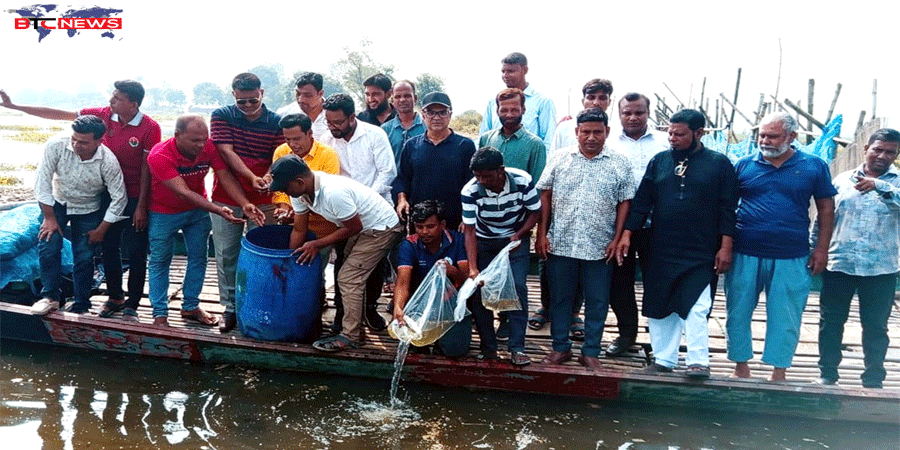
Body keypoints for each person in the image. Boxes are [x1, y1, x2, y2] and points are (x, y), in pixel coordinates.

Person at [1, 81, 161, 322]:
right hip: (89, 196)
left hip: (128, 195)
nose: (111, 101)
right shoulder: (98, 118)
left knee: (128, 250)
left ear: (133, 104)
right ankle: (105, 297)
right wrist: (14, 107)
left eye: (117, 98)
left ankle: (125, 304)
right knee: (95, 246)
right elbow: (57, 116)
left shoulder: (147, 129)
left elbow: (148, 167)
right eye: (112, 96)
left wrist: (140, 206)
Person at [617, 109, 738, 378]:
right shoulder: (659, 161)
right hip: (661, 247)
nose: (672, 138)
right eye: (670, 133)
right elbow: (642, 203)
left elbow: (728, 208)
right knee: (660, 303)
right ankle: (664, 359)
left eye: (680, 134)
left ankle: (698, 361)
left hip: (701, 248)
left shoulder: (719, 164)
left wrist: (726, 246)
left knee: (697, 305)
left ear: (699, 133)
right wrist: (627, 234)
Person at [726, 111, 837, 382]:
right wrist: (725, 247)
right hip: (745, 251)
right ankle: (740, 365)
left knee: (786, 315)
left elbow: (826, 208)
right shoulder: (743, 165)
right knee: (737, 310)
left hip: (792, 254)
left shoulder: (813, 166)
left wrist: (821, 249)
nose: (765, 141)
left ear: (792, 136)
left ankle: (779, 371)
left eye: (773, 136)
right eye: (762, 135)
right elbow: (726, 208)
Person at [268, 155, 403, 352]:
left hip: (381, 228)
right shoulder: (300, 192)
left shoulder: (333, 192)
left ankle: (351, 336)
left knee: (348, 278)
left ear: (299, 181)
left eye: (285, 188)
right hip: (361, 226)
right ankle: (354, 323)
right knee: (349, 271)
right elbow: (299, 229)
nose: (283, 192)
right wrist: (289, 261)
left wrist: (317, 244)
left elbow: (354, 227)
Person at [536, 108, 635, 371]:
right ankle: (560, 347)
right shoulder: (559, 158)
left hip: (600, 246)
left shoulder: (619, 162)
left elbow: (625, 202)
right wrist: (542, 234)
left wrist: (617, 238)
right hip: (561, 242)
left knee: (597, 301)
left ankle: (590, 351)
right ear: (577, 132)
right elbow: (545, 195)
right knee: (560, 299)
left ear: (607, 132)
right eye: (586, 131)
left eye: (597, 132)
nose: (591, 137)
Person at [146, 115, 264, 327]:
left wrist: (244, 203)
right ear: (177, 135)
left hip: (197, 212)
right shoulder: (160, 155)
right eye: (195, 140)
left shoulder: (209, 147)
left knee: (199, 258)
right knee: (160, 261)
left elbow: (224, 175)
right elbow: (183, 192)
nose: (201, 145)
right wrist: (218, 210)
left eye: (204, 139)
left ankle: (190, 306)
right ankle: (160, 314)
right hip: (164, 213)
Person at [816, 128, 900, 389]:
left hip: (881, 268)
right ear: (866, 149)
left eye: (890, 152)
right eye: (878, 149)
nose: (882, 156)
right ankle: (827, 373)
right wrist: (815, 249)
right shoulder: (842, 180)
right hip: (840, 263)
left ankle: (873, 378)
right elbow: (824, 218)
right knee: (831, 321)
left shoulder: (896, 183)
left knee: (876, 326)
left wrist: (880, 187)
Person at [210, 72, 285, 333]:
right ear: (233, 96)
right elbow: (225, 151)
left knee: (261, 253)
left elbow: (279, 155)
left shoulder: (277, 121)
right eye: (241, 102)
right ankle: (230, 306)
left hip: (264, 198)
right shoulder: (222, 115)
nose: (248, 106)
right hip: (226, 196)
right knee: (226, 253)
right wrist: (251, 176)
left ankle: (255, 302)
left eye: (253, 100)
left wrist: (268, 177)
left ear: (262, 93)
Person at [30, 115, 127, 315]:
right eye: (74, 139)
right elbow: (42, 182)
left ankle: (81, 303)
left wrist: (101, 229)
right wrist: (49, 217)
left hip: (88, 208)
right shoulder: (56, 145)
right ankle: (50, 297)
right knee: (48, 246)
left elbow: (120, 198)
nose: (76, 145)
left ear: (99, 142)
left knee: (83, 256)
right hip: (57, 203)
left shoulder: (108, 161)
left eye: (83, 142)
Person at [320, 93, 397, 332]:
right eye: (329, 122)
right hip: (344, 213)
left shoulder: (375, 135)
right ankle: (342, 313)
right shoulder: (326, 139)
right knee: (343, 262)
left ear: (352, 117)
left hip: (377, 211)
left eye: (338, 122)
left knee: (374, 265)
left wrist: (364, 201)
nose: (332, 127)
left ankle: (370, 308)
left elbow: (388, 173)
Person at [603, 93, 669, 357]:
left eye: (639, 112)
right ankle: (626, 334)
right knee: (619, 281)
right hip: (618, 225)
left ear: (648, 113)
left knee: (658, 280)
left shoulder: (665, 142)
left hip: (658, 224)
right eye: (627, 113)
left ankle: (661, 338)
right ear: (618, 114)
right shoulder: (608, 143)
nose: (633, 118)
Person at [462, 148, 541, 365]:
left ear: (501, 171)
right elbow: (469, 230)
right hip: (484, 241)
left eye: (487, 176)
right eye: (477, 176)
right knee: (480, 290)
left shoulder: (523, 181)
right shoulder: (470, 190)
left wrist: (520, 234)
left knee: (517, 288)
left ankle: (517, 348)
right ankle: (488, 348)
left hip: (516, 240)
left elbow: (535, 212)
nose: (482, 181)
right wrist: (473, 268)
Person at [392, 200, 472, 357]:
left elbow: (467, 279)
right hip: (420, 302)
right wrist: (398, 307)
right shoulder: (409, 245)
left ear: (442, 225)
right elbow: (402, 283)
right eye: (419, 227)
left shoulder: (458, 240)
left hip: (451, 301)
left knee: (455, 351)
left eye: (430, 226)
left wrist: (452, 271)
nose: (424, 232)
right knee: (413, 345)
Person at [394, 92, 476, 230]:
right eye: (431, 112)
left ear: (450, 115)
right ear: (423, 115)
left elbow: (472, 184)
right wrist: (402, 200)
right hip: (421, 223)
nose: (436, 117)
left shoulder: (465, 146)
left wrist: (467, 217)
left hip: (455, 221)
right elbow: (402, 178)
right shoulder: (411, 146)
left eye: (442, 112)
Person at [480, 52, 557, 148]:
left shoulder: (542, 102)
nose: (505, 75)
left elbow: (549, 140)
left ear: (525, 70)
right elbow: (484, 137)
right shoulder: (493, 102)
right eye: (503, 71)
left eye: (511, 71)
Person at [478, 88, 546, 182]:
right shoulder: (486, 139)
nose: (509, 115)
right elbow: (480, 176)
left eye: (514, 110)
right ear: (497, 111)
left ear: (523, 109)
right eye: (504, 110)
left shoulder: (535, 145)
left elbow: (537, 183)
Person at [549, 79, 614, 152]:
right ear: (583, 101)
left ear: (609, 102)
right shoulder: (564, 128)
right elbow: (553, 156)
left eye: (602, 98)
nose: (596, 102)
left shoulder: (616, 132)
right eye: (591, 98)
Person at [276, 72, 329, 139]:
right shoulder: (283, 115)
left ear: (320, 94)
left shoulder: (335, 116)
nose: (301, 100)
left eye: (307, 95)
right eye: (298, 94)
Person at [381, 79, 425, 161]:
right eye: (398, 97)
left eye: (407, 96)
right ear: (392, 100)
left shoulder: (427, 127)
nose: (402, 100)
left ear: (415, 98)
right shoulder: (385, 130)